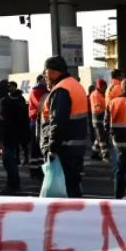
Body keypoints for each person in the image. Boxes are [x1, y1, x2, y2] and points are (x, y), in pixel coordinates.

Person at [40, 56, 88, 198]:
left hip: (64, 150)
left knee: (65, 191)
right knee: (73, 186)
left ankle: (68, 219)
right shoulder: (74, 85)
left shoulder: (61, 90)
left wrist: (52, 150)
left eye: (46, 72)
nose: (44, 76)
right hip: (75, 147)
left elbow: (57, 123)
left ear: (54, 72)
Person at [0, 81, 28, 193]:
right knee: (12, 159)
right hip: (17, 132)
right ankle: (14, 184)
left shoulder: (4, 102)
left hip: (7, 134)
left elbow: (2, 118)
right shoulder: (20, 100)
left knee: (9, 160)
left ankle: (13, 185)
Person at [27, 74, 48, 181]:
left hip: (41, 120)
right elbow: (41, 105)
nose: (46, 80)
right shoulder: (36, 91)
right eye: (44, 79)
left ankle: (39, 170)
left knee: (40, 147)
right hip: (36, 121)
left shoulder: (44, 91)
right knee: (35, 147)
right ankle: (35, 171)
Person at [90, 78, 111, 161]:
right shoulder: (96, 95)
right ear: (101, 86)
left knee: (100, 137)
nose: (105, 88)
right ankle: (105, 155)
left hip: (99, 116)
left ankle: (94, 153)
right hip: (98, 116)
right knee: (102, 137)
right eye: (104, 87)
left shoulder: (99, 93)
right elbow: (98, 107)